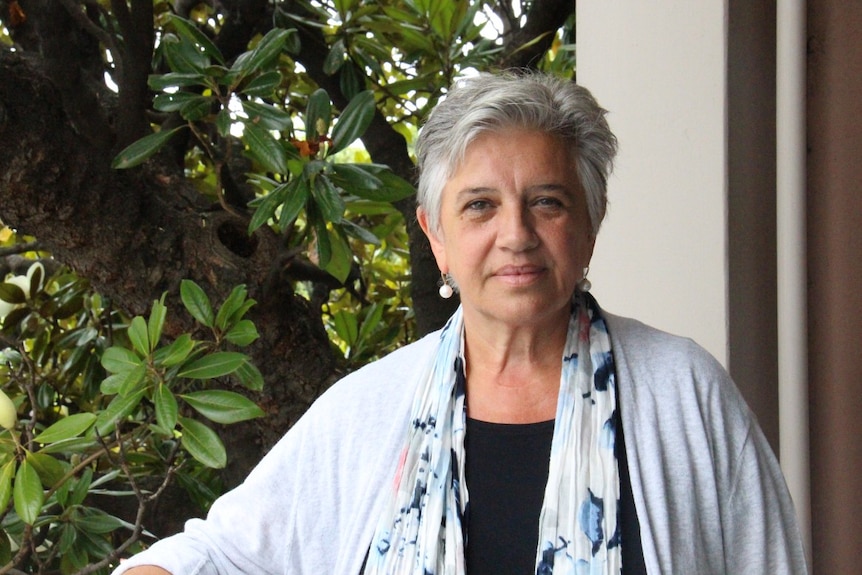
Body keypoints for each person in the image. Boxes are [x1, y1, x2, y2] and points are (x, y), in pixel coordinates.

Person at [113, 71, 808, 575]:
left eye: (547, 202)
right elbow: (223, 555)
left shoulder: (681, 391)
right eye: (479, 205)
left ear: (589, 226)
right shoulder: (369, 410)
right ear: (436, 236)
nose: (516, 235)